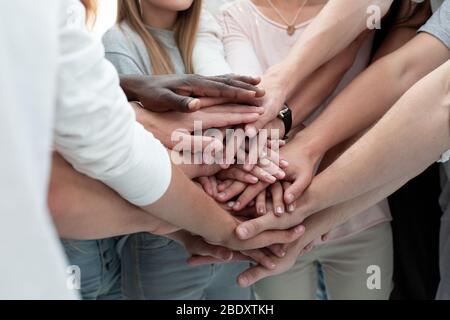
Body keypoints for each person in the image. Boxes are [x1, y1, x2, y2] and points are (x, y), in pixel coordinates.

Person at [0, 0, 300, 299]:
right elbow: (101, 150)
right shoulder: (115, 41)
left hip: (181, 215)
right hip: (155, 228)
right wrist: (218, 186)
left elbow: (233, 92)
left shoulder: (204, 29)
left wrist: (245, 139)